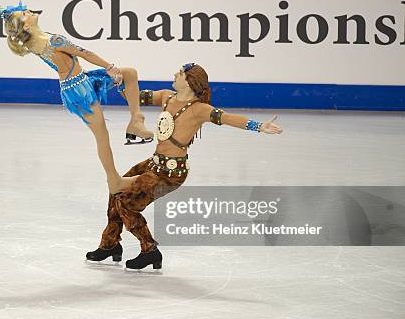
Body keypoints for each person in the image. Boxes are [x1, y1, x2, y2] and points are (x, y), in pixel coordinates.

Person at [86, 63, 283, 270]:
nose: (174, 74)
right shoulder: (166, 97)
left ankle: (149, 250)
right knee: (115, 189)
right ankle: (110, 245)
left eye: (179, 73)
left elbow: (228, 118)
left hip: (170, 173)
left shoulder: (199, 109)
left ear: (190, 82)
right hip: (153, 164)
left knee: (127, 202)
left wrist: (259, 126)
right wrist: (117, 81)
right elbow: (132, 96)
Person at [0, 0, 153, 194]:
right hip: (79, 90)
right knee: (102, 136)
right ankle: (114, 181)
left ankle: (136, 121)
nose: (27, 11)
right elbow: (86, 53)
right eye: (24, 14)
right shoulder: (52, 41)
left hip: (81, 81)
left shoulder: (29, 39)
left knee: (129, 74)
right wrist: (109, 67)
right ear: (25, 24)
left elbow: (4, 14)